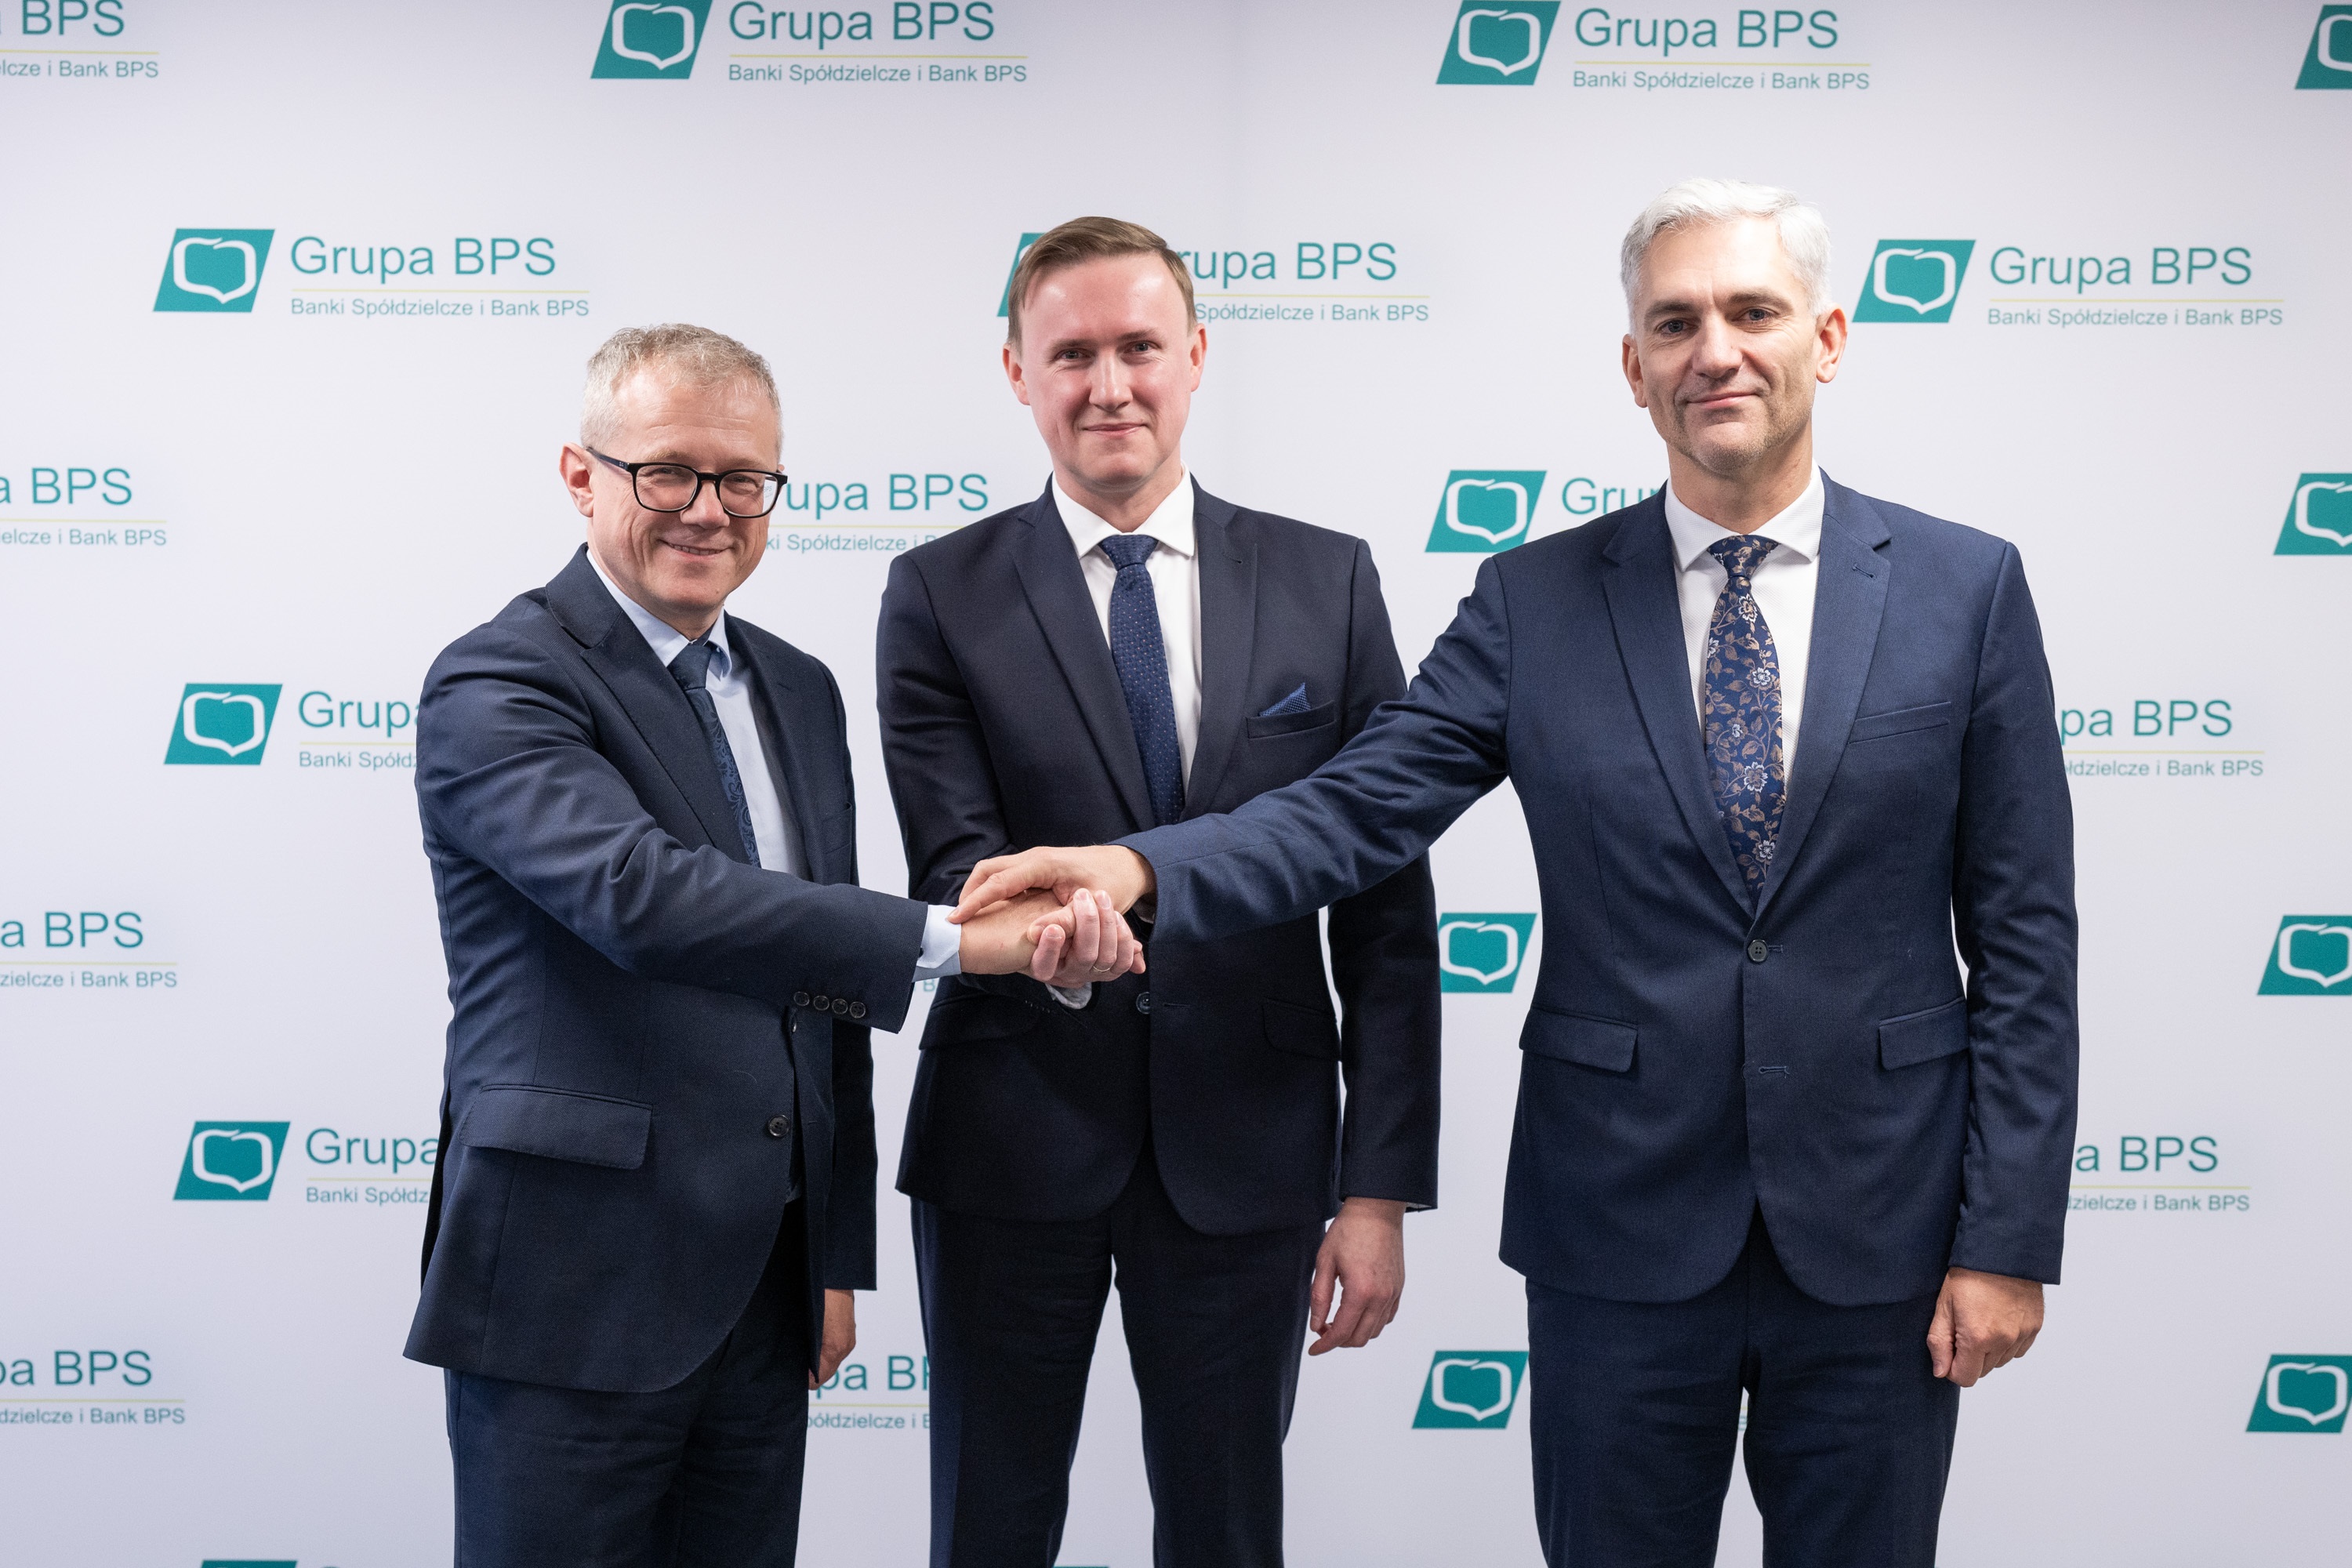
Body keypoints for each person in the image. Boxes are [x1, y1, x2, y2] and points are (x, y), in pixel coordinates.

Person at [954, 181, 2078, 1567]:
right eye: (1675, 323)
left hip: (1884, 1233)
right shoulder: (1532, 600)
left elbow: (2026, 943)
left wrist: (2006, 1235)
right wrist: (1136, 866)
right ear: (1634, 367)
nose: (1715, 351)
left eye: (1753, 312)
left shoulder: (1967, 589)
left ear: (1829, 339)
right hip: (1617, 1231)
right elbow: (1351, 811)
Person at [404, 323, 1141, 1568]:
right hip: (569, 1293)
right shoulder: (499, 681)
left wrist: (831, 1255)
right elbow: (643, 897)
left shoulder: (797, 688)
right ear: (582, 476)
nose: (709, 510)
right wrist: (964, 943)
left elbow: (821, 990)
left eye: (744, 479)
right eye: (669, 472)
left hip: (762, 1293)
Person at [876, 217, 1441, 1568]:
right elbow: (956, 871)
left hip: (1251, 1147)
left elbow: (1385, 912)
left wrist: (1376, 1194)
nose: (1108, 384)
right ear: (1017, 373)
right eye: (1071, 354)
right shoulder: (939, 591)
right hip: (1010, 1142)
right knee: (989, 1529)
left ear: (1195, 356)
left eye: (1139, 347)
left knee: (1228, 1534)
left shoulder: (1327, 577)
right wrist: (1058, 944)